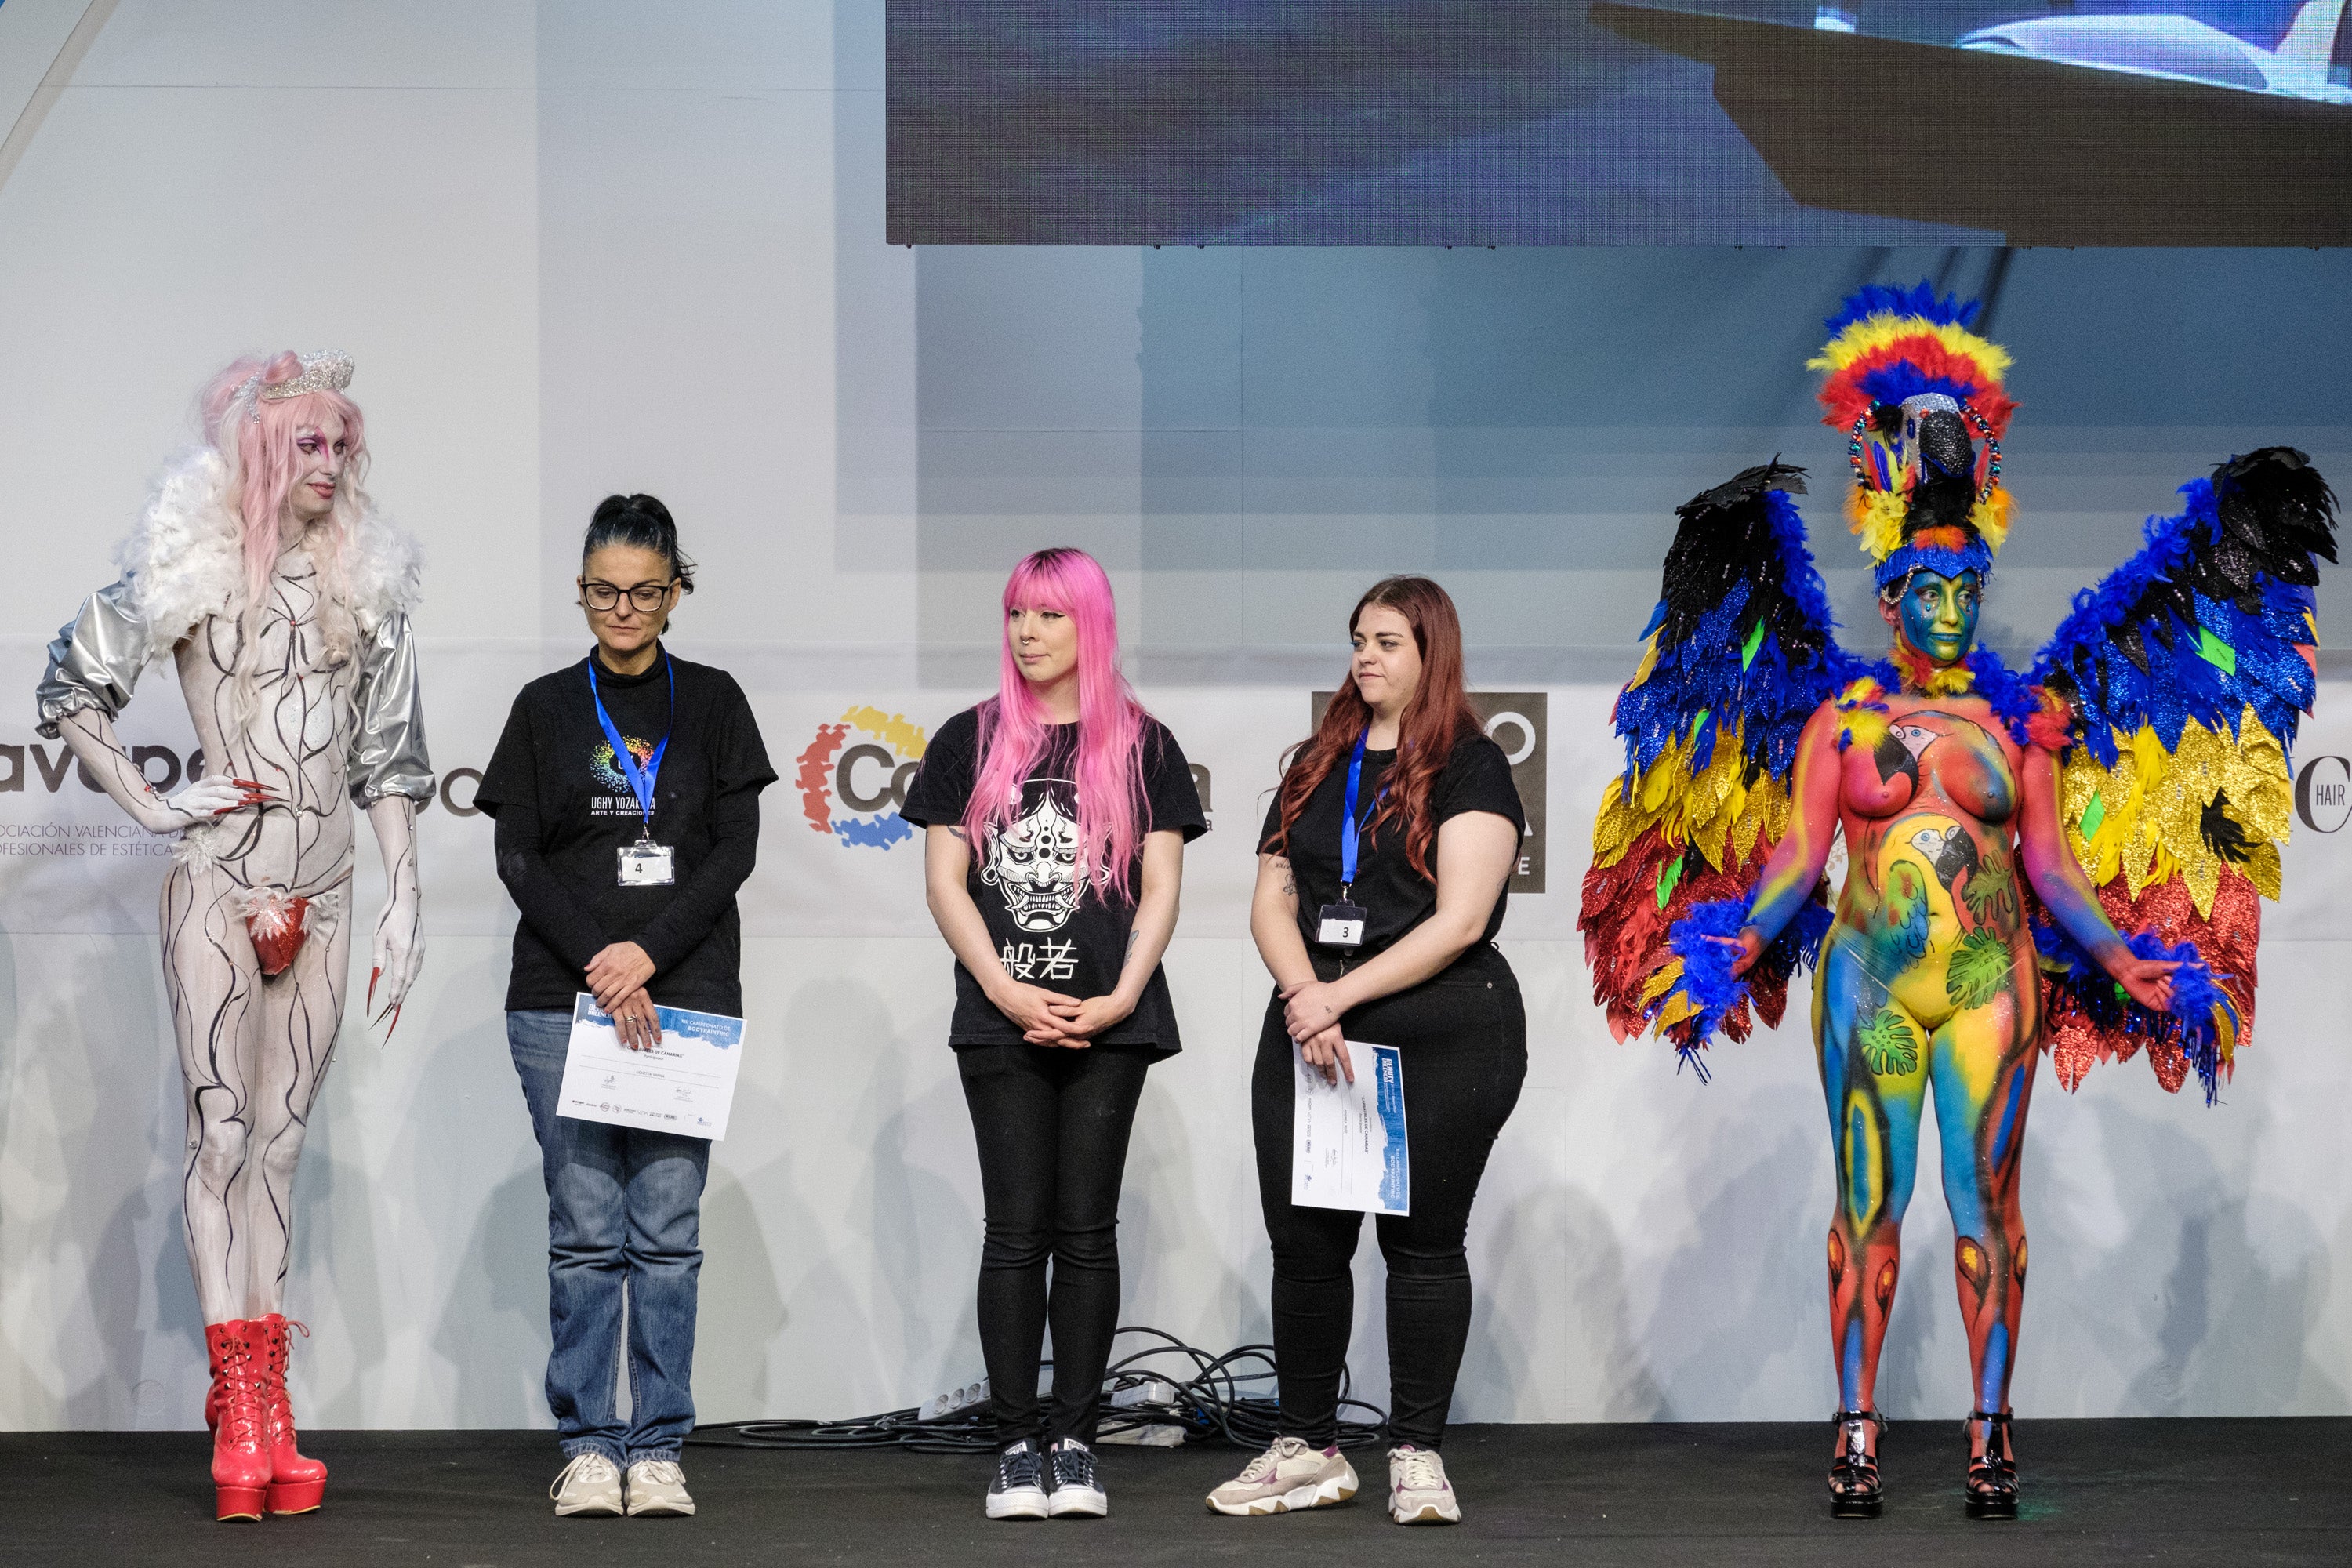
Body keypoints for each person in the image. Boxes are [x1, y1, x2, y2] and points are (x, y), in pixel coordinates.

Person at [1580, 282, 2332, 1519]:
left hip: (1990, 988)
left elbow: (2049, 867)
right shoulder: (1837, 720)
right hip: (1870, 986)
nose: (1950, 602)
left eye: (1965, 584)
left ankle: (1991, 1430)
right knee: (1864, 1207)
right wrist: (1723, 956)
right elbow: (1791, 868)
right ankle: (1858, 1428)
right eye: (1928, 588)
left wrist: (2125, 955)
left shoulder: (2018, 721)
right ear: (1889, 598)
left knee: (1989, 1207)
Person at [38, 350, 430, 1521]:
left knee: (282, 1144)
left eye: (342, 443)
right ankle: (240, 1404)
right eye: (307, 443)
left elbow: (390, 758)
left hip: (326, 887)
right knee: (219, 1138)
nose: (331, 462)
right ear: (260, 449)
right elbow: (72, 687)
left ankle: (271, 1396)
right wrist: (157, 805)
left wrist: (406, 894)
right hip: (220, 882)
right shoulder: (191, 567)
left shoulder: (370, 581)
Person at [476, 495, 775, 1519]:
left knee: (665, 1232)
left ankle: (657, 1448)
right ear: (582, 590)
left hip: (682, 996)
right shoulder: (545, 708)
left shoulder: (718, 704)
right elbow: (517, 855)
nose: (623, 608)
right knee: (585, 1232)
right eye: (605, 591)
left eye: (644, 591)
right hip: (562, 1000)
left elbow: (734, 851)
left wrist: (644, 954)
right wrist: (603, 961)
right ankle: (590, 1445)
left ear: (675, 592)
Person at [1207, 575, 1526, 1527]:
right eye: (1357, 639)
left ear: (1432, 651)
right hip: (1316, 1029)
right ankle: (1307, 1446)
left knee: (1421, 1248)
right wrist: (1308, 996)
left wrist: (1337, 993)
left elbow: (1462, 917)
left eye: (1388, 640)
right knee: (1307, 1247)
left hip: (1441, 1027)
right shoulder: (1319, 758)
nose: (1365, 656)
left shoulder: (1473, 764)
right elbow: (1271, 896)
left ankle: (1417, 1452)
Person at [901, 546, 1205, 1522]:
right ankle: (1014, 1443)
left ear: (1091, 626)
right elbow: (947, 884)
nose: (1028, 634)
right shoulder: (969, 738)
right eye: (1017, 615)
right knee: (1013, 1231)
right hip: (1001, 1023)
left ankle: (1074, 1438)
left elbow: (1161, 889)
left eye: (1049, 617)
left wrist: (1118, 996)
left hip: (1110, 1023)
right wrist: (1003, 989)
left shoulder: (1145, 745)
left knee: (1086, 1231)